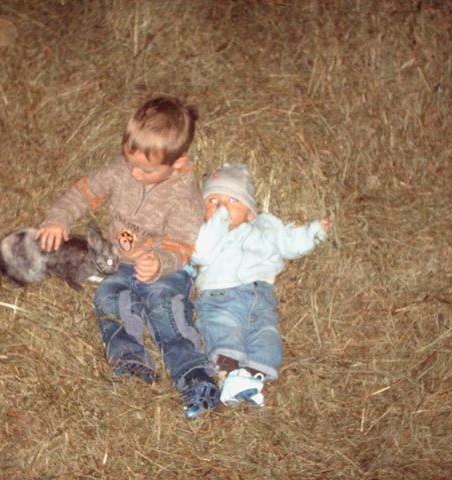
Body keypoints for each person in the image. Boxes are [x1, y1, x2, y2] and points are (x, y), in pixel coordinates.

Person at [36, 96, 219, 419]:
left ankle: (194, 375)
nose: (133, 173)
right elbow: (84, 191)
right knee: (108, 296)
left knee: (165, 305)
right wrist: (59, 218)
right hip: (120, 262)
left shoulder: (184, 195)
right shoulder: (123, 171)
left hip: (167, 269)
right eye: (129, 162)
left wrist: (161, 261)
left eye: (145, 170)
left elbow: (181, 244)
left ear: (176, 164)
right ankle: (130, 362)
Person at [191, 163, 330, 407]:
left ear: (250, 212)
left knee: (267, 337)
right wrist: (218, 219)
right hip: (221, 296)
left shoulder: (267, 225)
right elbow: (200, 254)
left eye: (232, 200)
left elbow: (290, 243)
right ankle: (228, 371)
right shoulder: (208, 232)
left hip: (261, 297)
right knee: (224, 330)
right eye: (213, 201)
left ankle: (252, 378)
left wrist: (314, 232)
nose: (221, 206)